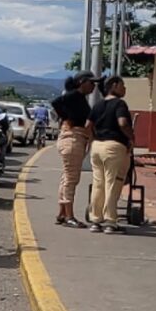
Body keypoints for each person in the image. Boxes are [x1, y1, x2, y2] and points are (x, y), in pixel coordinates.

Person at [88, 76, 134, 234]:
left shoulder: (98, 104)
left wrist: (94, 139)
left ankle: (95, 220)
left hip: (97, 147)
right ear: (113, 86)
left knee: (98, 184)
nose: (125, 88)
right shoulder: (120, 104)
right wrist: (131, 137)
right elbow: (122, 123)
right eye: (122, 85)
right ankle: (110, 222)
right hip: (114, 147)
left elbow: (88, 126)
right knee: (112, 183)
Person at [51, 73, 95, 226]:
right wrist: (67, 117)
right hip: (73, 138)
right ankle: (69, 216)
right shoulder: (75, 95)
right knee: (71, 178)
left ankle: (62, 213)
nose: (93, 86)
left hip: (73, 139)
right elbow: (56, 102)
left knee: (66, 177)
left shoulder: (80, 98)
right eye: (91, 82)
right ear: (82, 82)